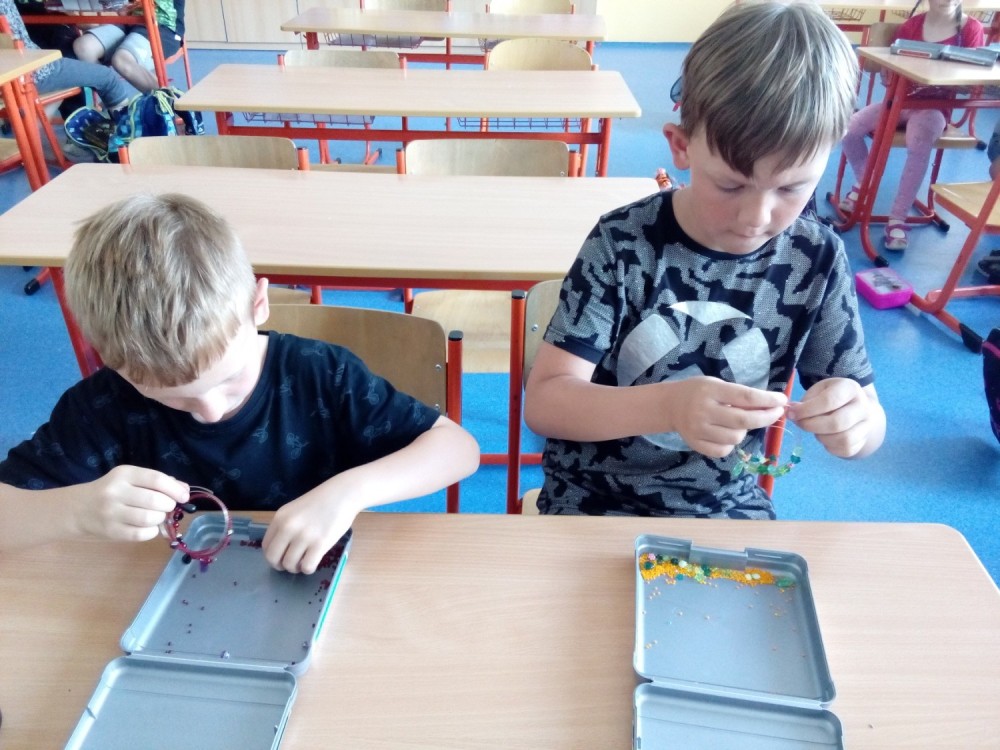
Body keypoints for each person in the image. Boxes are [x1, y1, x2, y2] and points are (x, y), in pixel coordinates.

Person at [523, 0, 887, 519]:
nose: (756, 216)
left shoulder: (817, 257)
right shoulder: (622, 243)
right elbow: (547, 404)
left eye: (792, 188)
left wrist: (857, 422)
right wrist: (667, 405)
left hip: (724, 504)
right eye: (731, 185)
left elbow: (870, 423)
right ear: (681, 146)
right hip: (592, 499)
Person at [0, 193, 480, 574]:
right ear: (107, 357)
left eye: (228, 380)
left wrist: (348, 492)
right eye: (170, 397)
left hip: (317, 576)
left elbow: (457, 449)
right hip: (156, 589)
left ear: (258, 305)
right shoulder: (102, 407)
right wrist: (75, 510)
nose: (209, 411)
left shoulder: (319, 374)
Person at [839, 0, 984, 252]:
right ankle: (865, 184)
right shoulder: (911, 26)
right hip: (899, 101)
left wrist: (945, 74)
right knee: (849, 128)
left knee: (918, 141)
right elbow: (891, 74)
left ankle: (898, 217)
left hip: (934, 107)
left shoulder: (971, 29)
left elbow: (973, 81)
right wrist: (889, 72)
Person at [1, 0, 132, 112]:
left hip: (10, 73)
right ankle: (127, 128)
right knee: (108, 78)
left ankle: (29, 132)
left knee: (65, 49)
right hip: (28, 71)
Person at [72, 0, 184, 93]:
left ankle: (171, 104)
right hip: (128, 22)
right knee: (83, 47)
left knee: (122, 59)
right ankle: (116, 102)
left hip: (163, 26)